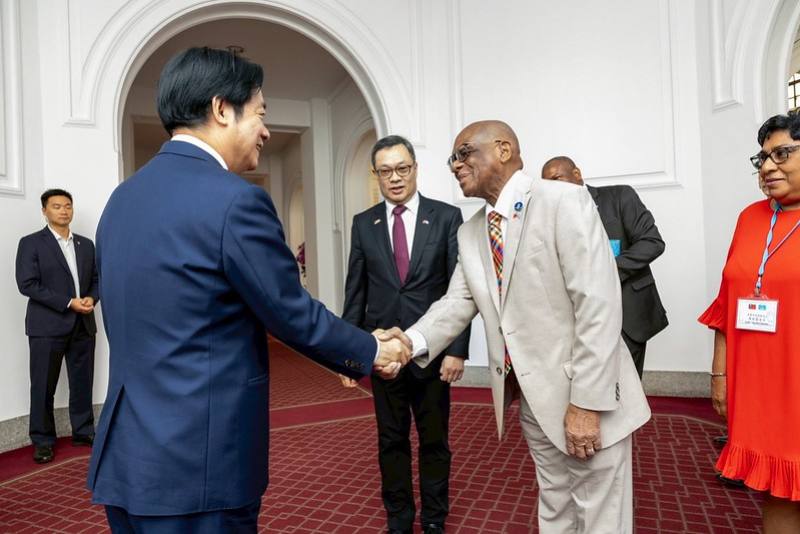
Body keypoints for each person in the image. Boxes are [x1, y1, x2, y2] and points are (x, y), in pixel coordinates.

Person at [86, 47, 410, 532]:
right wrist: (372, 349)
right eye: (260, 113)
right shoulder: (236, 201)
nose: (265, 130)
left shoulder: (120, 200)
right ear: (221, 109)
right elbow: (290, 312)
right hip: (202, 463)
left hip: (129, 458)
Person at [387, 120, 650, 533]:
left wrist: (586, 402)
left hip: (586, 398)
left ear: (504, 149)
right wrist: (408, 342)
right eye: (451, 159)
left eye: (464, 153)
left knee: (601, 518)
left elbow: (598, 305)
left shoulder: (562, 200)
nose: (455, 165)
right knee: (555, 506)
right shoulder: (471, 231)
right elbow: (457, 301)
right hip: (531, 399)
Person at [339, 135, 470, 534]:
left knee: (434, 441)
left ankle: (433, 517)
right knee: (390, 441)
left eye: (402, 169)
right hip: (383, 356)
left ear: (415, 168)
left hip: (432, 353)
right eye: (385, 171)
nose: (395, 178)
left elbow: (460, 290)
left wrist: (456, 351)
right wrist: (349, 353)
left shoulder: (447, 217)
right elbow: (355, 291)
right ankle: (399, 517)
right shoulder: (364, 223)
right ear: (375, 175)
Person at [700, 110, 800, 532]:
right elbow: (728, 301)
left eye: (782, 154)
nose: (768, 166)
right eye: (762, 158)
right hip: (760, 384)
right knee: (777, 490)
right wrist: (720, 373)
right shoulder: (751, 217)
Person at [540, 156, 668, 377]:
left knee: (629, 394)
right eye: (547, 185)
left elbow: (652, 242)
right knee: (587, 388)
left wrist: (604, 272)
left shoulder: (619, 196)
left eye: (557, 178)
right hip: (579, 320)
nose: (552, 188)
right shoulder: (549, 219)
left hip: (628, 316)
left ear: (577, 174)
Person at [15, 189, 98, 464]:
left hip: (83, 324)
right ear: (44, 211)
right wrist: (67, 302)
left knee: (82, 382)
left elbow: (97, 279)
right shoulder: (31, 243)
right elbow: (27, 284)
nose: (63, 210)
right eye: (56, 206)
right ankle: (42, 440)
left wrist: (91, 298)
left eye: (68, 206)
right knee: (43, 386)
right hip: (46, 327)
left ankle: (84, 431)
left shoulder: (86, 245)